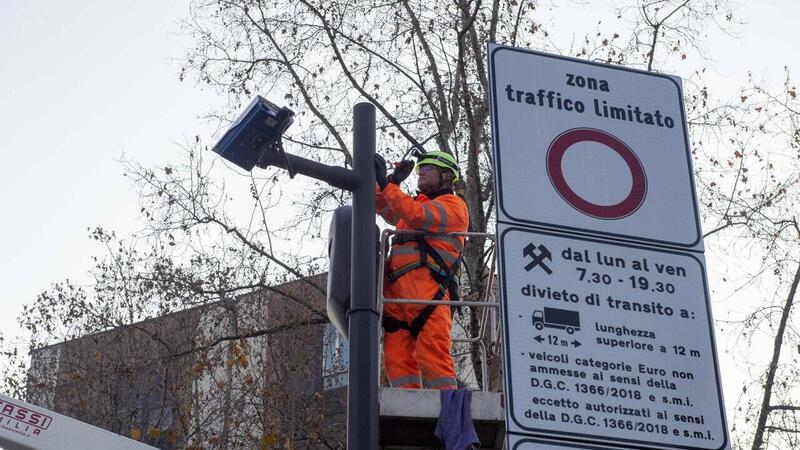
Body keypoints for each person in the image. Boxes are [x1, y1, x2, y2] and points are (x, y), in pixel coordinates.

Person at [374, 151, 469, 390]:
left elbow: (417, 215)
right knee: (396, 359)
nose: (420, 174)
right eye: (419, 171)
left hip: (429, 292)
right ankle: (407, 411)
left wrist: (389, 185)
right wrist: (392, 181)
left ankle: (450, 413)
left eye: (427, 170)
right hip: (398, 294)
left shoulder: (455, 207)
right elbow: (379, 204)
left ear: (446, 176)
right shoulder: (414, 204)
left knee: (434, 359)